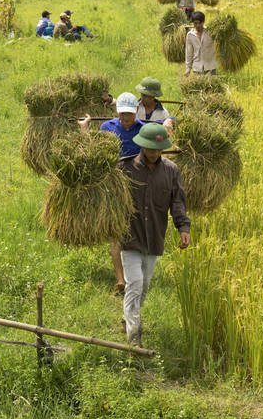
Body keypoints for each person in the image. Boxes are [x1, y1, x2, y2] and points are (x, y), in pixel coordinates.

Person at [117, 122, 190, 347]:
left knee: (144, 286)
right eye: (150, 148)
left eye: (158, 149)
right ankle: (134, 337)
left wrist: (183, 228)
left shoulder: (171, 171)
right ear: (142, 146)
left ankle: (127, 317)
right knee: (135, 284)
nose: (154, 153)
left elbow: (177, 202)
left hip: (155, 237)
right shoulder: (125, 168)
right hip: (130, 236)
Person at [80, 92, 146, 295]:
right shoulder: (107, 127)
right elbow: (94, 152)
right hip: (113, 183)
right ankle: (120, 279)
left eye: (130, 113)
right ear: (117, 112)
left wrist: (168, 123)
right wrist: (85, 131)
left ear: (135, 112)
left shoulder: (143, 129)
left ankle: (137, 275)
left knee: (135, 228)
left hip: (138, 184)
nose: (126, 117)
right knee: (115, 231)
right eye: (123, 113)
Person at [184, 11, 217, 76]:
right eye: (195, 23)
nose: (198, 25)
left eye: (200, 23)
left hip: (210, 67)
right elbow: (189, 52)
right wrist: (188, 69)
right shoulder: (190, 35)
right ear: (193, 23)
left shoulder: (210, 32)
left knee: (211, 86)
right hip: (197, 68)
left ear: (203, 22)